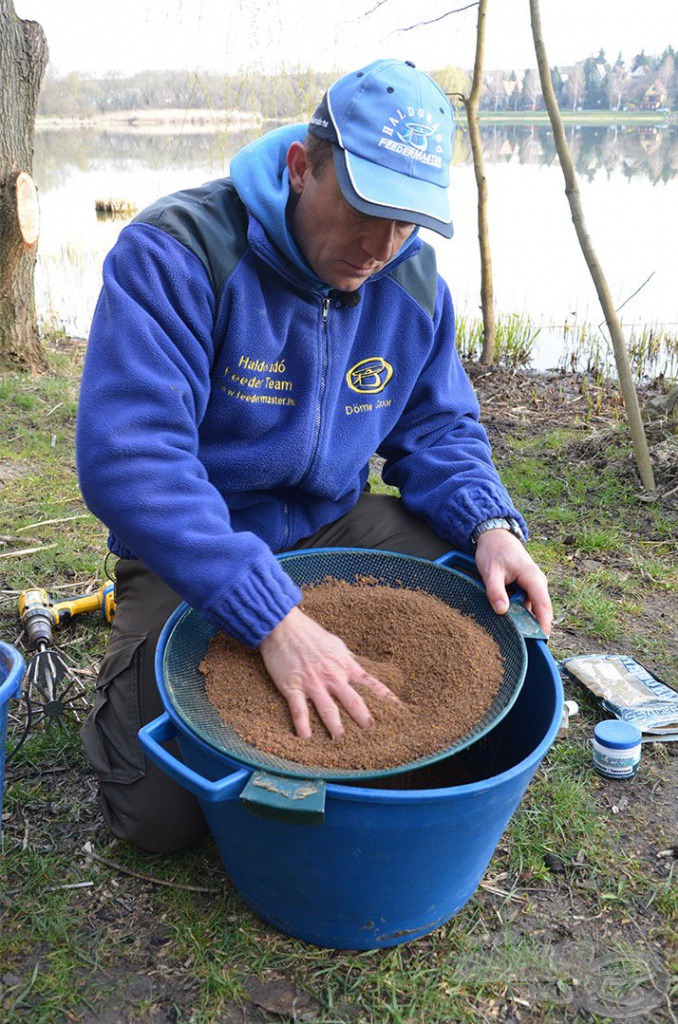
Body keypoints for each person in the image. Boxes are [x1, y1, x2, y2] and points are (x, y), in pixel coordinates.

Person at [76, 58, 552, 853]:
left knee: (481, 598)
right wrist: (272, 617)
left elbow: (438, 430)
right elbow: (132, 462)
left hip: (334, 522)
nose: (381, 245)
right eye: (366, 209)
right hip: (195, 546)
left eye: (408, 222)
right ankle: (127, 692)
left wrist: (490, 524)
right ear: (303, 168)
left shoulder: (411, 281)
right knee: (157, 821)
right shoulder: (178, 252)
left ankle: (380, 743)